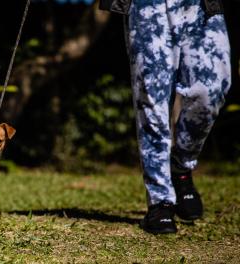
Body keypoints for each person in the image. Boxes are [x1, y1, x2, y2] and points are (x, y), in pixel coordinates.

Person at [99, 0, 231, 234]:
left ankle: (180, 167)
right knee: (152, 97)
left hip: (200, 5)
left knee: (212, 89)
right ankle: (160, 202)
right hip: (148, 6)